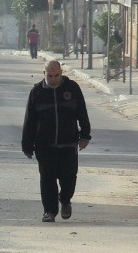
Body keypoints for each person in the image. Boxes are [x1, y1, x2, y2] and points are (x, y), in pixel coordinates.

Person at [21, 59, 91, 222]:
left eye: (56, 75)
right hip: (44, 144)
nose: (53, 79)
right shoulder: (37, 92)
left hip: (69, 143)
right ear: (44, 74)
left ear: (61, 73)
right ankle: (50, 211)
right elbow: (29, 120)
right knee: (47, 179)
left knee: (69, 178)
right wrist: (27, 145)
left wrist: (85, 135)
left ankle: (65, 200)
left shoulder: (72, 88)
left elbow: (82, 112)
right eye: (50, 76)